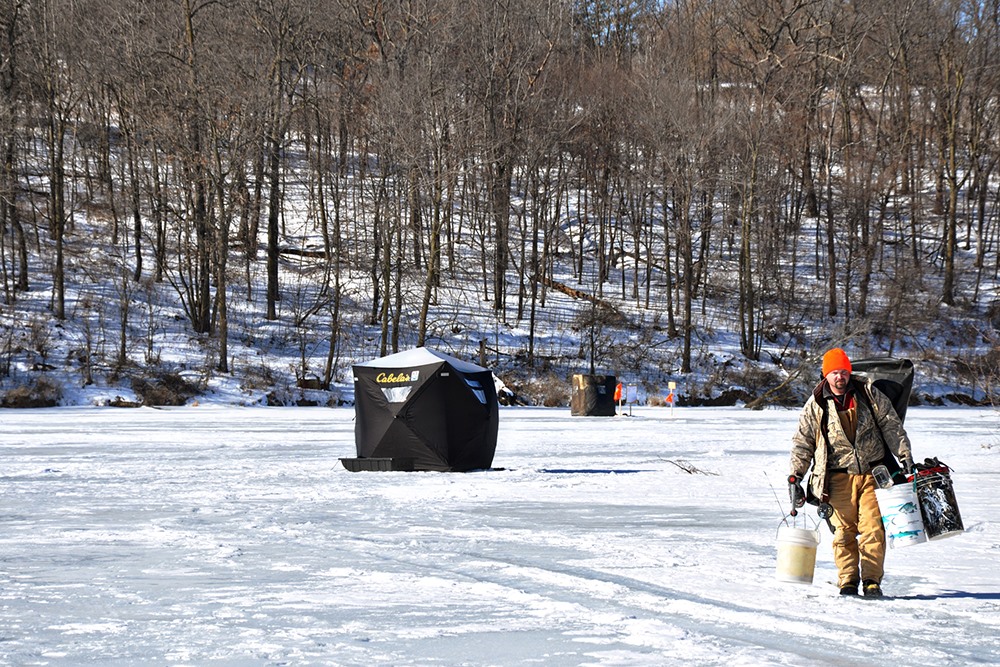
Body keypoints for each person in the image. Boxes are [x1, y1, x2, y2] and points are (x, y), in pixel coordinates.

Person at [788, 348, 914, 598]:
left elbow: (891, 425)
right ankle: (847, 580)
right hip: (835, 477)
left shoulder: (868, 393)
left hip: (872, 474)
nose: (840, 377)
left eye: (844, 372)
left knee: (872, 529)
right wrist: (796, 475)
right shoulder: (816, 404)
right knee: (843, 532)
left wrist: (905, 456)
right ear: (826, 375)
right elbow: (803, 442)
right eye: (835, 372)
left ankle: (871, 580)